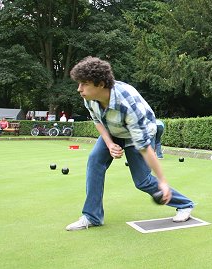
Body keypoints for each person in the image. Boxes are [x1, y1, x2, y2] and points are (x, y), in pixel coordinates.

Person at [66, 56, 194, 231]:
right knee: (95, 160)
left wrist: (162, 180)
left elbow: (144, 146)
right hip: (113, 129)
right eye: (79, 84)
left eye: (84, 84)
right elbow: (97, 121)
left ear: (101, 84)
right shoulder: (89, 97)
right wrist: (110, 144)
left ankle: (185, 204)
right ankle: (92, 216)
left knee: (143, 181)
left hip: (139, 131)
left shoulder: (127, 103)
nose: (79, 89)